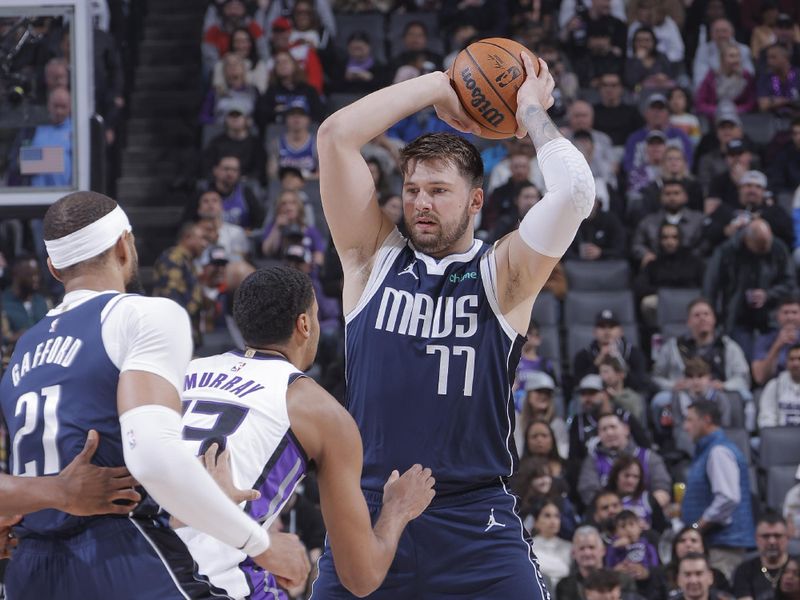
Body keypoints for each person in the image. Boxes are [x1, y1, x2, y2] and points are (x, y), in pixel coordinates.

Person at [312, 50, 596, 597]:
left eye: (439, 191)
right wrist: (442, 86)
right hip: (369, 506)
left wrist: (530, 109)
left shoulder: (504, 273)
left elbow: (576, 193)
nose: (421, 203)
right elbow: (335, 137)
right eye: (413, 190)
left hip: (475, 520)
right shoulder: (371, 258)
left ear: (475, 202)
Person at [0, 191, 309, 598]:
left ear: (54, 268)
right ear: (123, 246)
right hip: (118, 560)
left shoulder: (22, 349)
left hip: (28, 573)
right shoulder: (145, 315)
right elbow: (152, 456)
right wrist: (261, 545)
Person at [177, 266, 435, 597]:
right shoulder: (319, 410)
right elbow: (361, 575)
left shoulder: (187, 370)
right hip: (209, 584)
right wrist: (396, 510)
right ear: (304, 325)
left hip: (140, 561)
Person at [681, 400, 756, 580]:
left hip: (724, 547)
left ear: (706, 420)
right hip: (716, 544)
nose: (685, 427)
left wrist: (697, 526)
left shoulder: (719, 452)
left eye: (690, 420)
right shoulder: (709, 450)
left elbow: (728, 498)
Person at [704, 218, 797, 359]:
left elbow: (790, 283)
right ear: (747, 239)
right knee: (743, 357)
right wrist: (714, 317)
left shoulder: (778, 248)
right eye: (760, 247)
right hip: (737, 317)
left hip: (771, 317)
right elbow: (711, 287)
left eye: (767, 245)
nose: (765, 250)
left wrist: (768, 294)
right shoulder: (727, 251)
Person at [577, 412, 671, 508]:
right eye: (604, 429)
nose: (609, 433)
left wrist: (646, 510)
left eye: (613, 427)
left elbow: (662, 488)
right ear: (599, 434)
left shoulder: (648, 456)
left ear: (626, 429)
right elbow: (588, 492)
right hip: (609, 516)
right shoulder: (593, 460)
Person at [648, 526, 732, 600]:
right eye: (682, 540)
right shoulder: (660, 573)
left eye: (694, 540)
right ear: (678, 579)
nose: (688, 544)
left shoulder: (718, 576)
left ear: (710, 577)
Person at [731, 512, 790, 600]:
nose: (772, 541)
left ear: (787, 538)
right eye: (765, 536)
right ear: (756, 539)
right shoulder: (744, 570)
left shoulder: (797, 566)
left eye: (777, 536)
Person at [606, 454, 669, 533]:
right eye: (627, 476)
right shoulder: (603, 499)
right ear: (616, 476)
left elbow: (661, 529)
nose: (631, 481)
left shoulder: (649, 499)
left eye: (635, 477)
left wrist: (648, 530)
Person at [1, 254, 50, 355]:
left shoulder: (43, 301)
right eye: (29, 275)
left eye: (37, 274)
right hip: (14, 358)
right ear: (16, 275)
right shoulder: (3, 303)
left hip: (43, 355)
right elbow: (5, 338)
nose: (35, 279)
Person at [604, 510, 659, 587]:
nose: (628, 529)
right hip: (622, 584)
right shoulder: (613, 548)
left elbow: (655, 567)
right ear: (616, 532)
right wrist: (614, 548)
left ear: (639, 527)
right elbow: (608, 567)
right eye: (623, 526)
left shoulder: (648, 546)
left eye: (631, 524)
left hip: (645, 584)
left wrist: (645, 572)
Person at [530, 498, 573, 589]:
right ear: (536, 521)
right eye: (547, 516)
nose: (553, 521)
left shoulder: (569, 547)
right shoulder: (529, 547)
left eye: (556, 516)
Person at [759, 343, 800, 428]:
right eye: (791, 359)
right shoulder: (774, 385)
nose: (795, 363)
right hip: (781, 437)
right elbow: (766, 417)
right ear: (786, 362)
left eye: (799, 359)